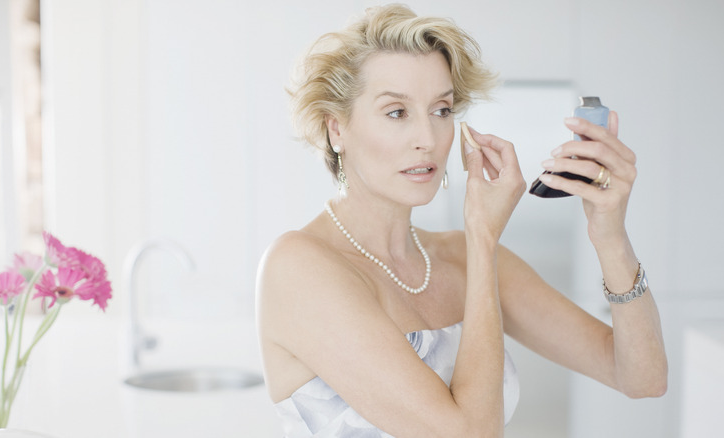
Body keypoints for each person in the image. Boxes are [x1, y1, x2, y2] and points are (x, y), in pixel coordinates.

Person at [256, 4, 667, 437]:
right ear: (336, 128)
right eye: (397, 112)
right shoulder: (298, 266)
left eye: (441, 110)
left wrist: (610, 235)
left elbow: (642, 377)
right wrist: (484, 238)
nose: (428, 139)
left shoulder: (461, 254)